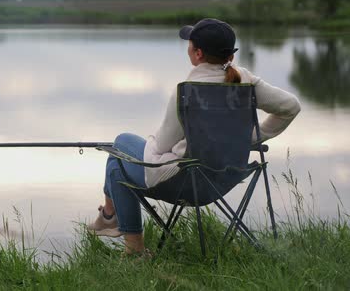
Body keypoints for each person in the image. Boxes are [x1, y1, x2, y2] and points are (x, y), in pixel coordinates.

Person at [87, 18, 301, 255]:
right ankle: (110, 222)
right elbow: (290, 106)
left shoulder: (186, 91)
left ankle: (126, 240)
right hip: (224, 180)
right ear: (230, 54)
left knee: (119, 150)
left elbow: (162, 146)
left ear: (197, 53)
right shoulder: (247, 81)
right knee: (119, 158)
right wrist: (249, 138)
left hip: (185, 183)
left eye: (189, 44)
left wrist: (155, 141)